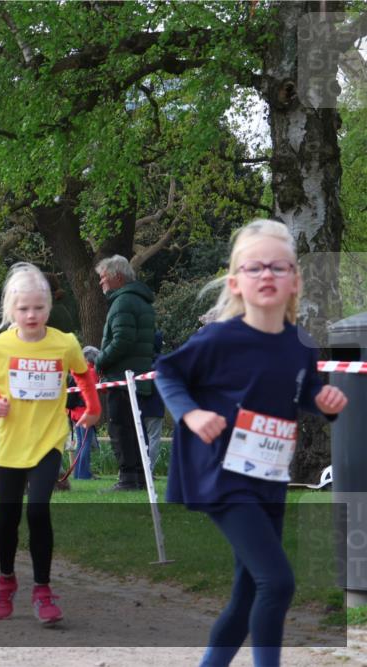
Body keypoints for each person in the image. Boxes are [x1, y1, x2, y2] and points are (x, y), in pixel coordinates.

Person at [155, 219, 347, 667]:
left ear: (295, 280)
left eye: (278, 267)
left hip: (268, 479)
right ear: (235, 281)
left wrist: (326, 402)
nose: (267, 275)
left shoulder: (299, 346)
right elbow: (168, 371)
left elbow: (303, 394)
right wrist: (192, 412)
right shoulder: (219, 338)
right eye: (255, 267)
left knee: (247, 597)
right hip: (223, 477)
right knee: (277, 583)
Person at [0, 262, 100, 625]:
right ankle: (6, 580)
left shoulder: (64, 343)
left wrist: (93, 408)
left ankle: (43, 588)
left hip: (49, 440)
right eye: (23, 309)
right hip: (11, 444)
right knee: (8, 520)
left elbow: (84, 373)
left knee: (37, 512)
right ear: (10, 310)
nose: (31, 315)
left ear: (49, 307)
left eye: (38, 308)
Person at [95, 255, 156, 491]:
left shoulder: (123, 302)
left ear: (116, 277)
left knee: (120, 427)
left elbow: (122, 341)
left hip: (121, 378)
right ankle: (139, 477)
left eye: (103, 278)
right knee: (135, 429)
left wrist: (100, 360)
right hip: (137, 376)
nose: (101, 283)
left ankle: (128, 478)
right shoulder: (141, 301)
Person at [68, 345, 101, 481]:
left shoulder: (75, 370)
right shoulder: (91, 371)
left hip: (75, 412)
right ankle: (84, 474)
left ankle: (78, 473)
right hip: (84, 412)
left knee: (81, 442)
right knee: (85, 443)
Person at [140, 330, 166, 473]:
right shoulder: (163, 362)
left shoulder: (139, 361)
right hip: (156, 406)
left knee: (139, 438)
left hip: (139, 405)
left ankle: (138, 469)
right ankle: (148, 470)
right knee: (154, 439)